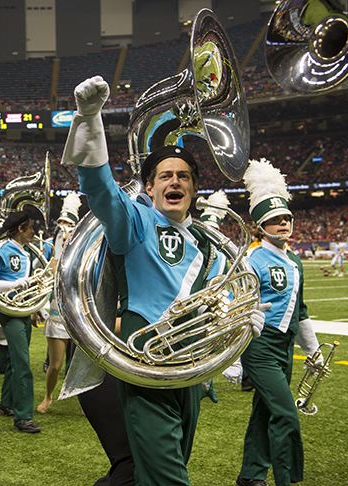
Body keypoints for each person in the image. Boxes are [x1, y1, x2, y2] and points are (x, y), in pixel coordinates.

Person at [61, 76, 264, 485]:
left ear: (193, 189)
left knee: (160, 468)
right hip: (147, 360)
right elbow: (100, 190)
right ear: (149, 186)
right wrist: (89, 120)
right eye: (165, 176)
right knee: (168, 477)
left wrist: (238, 323)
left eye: (184, 176)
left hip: (192, 367)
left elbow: (213, 300)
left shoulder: (210, 242)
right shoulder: (134, 223)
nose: (175, 182)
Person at [236, 159, 321, 486]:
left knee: (264, 413)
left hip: (285, 347)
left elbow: (300, 310)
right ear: (259, 224)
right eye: (274, 218)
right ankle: (288, 480)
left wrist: (311, 350)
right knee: (285, 415)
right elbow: (236, 306)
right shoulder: (252, 259)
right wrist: (232, 359)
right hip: (260, 346)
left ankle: (251, 476)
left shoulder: (296, 260)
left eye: (286, 216)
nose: (283, 222)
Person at [0, 205, 47, 433]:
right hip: (10, 312)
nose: (34, 232)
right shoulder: (1, 250)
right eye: (31, 228)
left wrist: (35, 307)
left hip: (24, 310)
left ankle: (6, 403)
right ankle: (23, 416)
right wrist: (13, 285)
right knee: (23, 363)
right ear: (21, 228)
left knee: (15, 360)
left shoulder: (28, 252)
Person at [37, 192, 81, 414]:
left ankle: (85, 400)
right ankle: (48, 397)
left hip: (79, 312)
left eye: (69, 224)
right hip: (57, 312)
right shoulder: (52, 254)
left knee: (82, 364)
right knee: (55, 364)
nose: (64, 228)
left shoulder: (83, 254)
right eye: (62, 223)